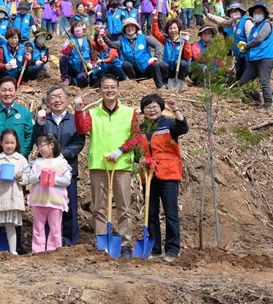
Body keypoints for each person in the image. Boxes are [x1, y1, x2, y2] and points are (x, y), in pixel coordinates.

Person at [74, 74, 141, 258]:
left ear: (118, 90)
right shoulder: (93, 113)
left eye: (113, 87)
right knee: (99, 207)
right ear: (100, 90)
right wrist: (79, 110)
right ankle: (102, 242)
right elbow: (82, 129)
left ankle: (126, 244)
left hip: (121, 165)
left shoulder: (129, 112)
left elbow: (136, 137)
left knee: (124, 206)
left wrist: (121, 149)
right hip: (99, 164)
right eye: (106, 87)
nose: (109, 90)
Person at [32, 85, 85, 246]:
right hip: (46, 171)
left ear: (66, 99)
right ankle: (48, 242)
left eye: (60, 96)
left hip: (67, 169)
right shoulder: (44, 120)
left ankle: (70, 242)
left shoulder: (74, 120)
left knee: (69, 206)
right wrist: (39, 124)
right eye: (53, 97)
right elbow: (36, 140)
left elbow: (79, 142)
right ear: (47, 102)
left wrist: (62, 154)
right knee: (48, 206)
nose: (57, 100)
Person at [139, 94, 189, 262]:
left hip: (168, 174)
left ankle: (172, 249)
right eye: (148, 107)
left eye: (155, 106)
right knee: (151, 213)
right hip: (148, 176)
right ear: (143, 110)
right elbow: (136, 151)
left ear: (161, 108)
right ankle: (155, 249)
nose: (151, 110)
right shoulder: (140, 129)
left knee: (170, 213)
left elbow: (183, 128)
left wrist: (175, 109)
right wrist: (140, 159)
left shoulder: (169, 124)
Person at [26, 134, 72, 253]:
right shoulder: (38, 162)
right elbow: (30, 179)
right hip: (39, 200)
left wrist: (53, 179)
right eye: (38, 146)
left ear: (52, 145)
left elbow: (67, 180)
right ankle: (38, 250)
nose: (40, 149)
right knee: (38, 228)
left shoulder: (61, 162)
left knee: (55, 229)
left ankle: (54, 250)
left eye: (42, 145)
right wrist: (40, 176)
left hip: (55, 201)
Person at [0, 129, 29, 255]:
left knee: (11, 225)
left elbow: (27, 178)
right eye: (6, 143)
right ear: (1, 143)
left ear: (16, 144)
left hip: (13, 196)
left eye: (12, 143)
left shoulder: (21, 160)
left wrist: (20, 177)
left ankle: (13, 250)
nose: (9, 145)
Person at [237, 2, 273, 109]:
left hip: (265, 58)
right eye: (255, 12)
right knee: (244, 82)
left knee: (264, 82)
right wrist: (244, 45)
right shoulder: (254, 28)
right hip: (254, 59)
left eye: (259, 12)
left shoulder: (266, 24)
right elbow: (251, 40)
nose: (257, 14)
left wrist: (246, 46)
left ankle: (268, 105)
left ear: (264, 14)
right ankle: (256, 101)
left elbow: (259, 39)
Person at [206, 2, 253, 80]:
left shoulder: (246, 22)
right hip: (239, 56)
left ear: (241, 12)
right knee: (239, 78)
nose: (234, 13)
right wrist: (208, 15)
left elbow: (251, 39)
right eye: (232, 11)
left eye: (236, 11)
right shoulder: (231, 24)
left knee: (246, 79)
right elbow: (220, 21)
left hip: (247, 56)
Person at [114, 18, 166, 89]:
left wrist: (156, 56)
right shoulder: (122, 42)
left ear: (136, 28)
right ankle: (135, 84)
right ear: (124, 29)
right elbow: (111, 44)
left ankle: (160, 86)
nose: (130, 28)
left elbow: (158, 45)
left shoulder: (144, 38)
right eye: (128, 27)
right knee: (125, 64)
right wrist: (104, 36)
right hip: (135, 71)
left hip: (147, 69)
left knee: (155, 64)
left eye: (132, 26)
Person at [151, 17, 192, 88]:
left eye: (175, 28)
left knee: (183, 63)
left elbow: (188, 56)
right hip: (168, 68)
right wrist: (155, 19)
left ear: (178, 29)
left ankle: (180, 82)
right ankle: (165, 82)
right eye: (170, 28)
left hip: (178, 69)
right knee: (160, 65)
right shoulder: (166, 40)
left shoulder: (183, 41)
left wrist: (186, 42)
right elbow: (155, 33)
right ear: (167, 30)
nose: (173, 30)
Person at [60, 20, 92, 87]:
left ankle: (84, 82)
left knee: (81, 78)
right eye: (75, 27)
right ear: (72, 29)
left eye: (79, 26)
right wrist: (69, 46)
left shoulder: (88, 39)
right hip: (72, 67)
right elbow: (64, 52)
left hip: (83, 68)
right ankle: (66, 78)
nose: (78, 29)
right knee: (63, 59)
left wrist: (91, 63)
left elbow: (93, 53)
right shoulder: (70, 40)